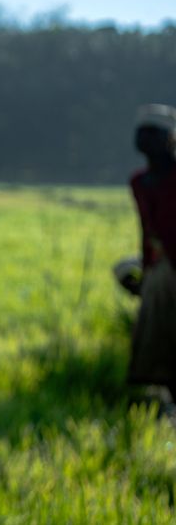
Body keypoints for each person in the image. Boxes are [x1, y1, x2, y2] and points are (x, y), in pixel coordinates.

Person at [127, 103, 176, 401]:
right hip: (162, 266)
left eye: (152, 134)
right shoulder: (140, 182)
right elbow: (147, 232)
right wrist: (147, 268)